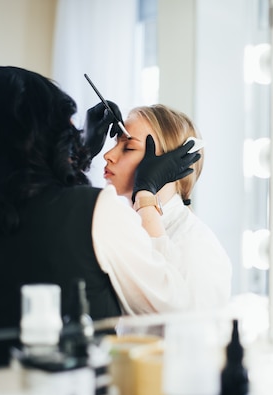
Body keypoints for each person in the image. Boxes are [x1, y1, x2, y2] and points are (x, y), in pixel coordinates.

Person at [0, 66, 199, 366]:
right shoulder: (96, 212)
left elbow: (30, 201)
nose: (108, 154)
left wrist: (77, 159)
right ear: (45, 133)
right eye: (64, 126)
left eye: (127, 145)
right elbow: (173, 305)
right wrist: (145, 194)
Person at [97, 104, 232, 315]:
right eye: (116, 144)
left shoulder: (195, 248)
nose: (108, 155)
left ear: (169, 165)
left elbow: (184, 331)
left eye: (128, 148)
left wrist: (144, 196)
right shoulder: (127, 228)